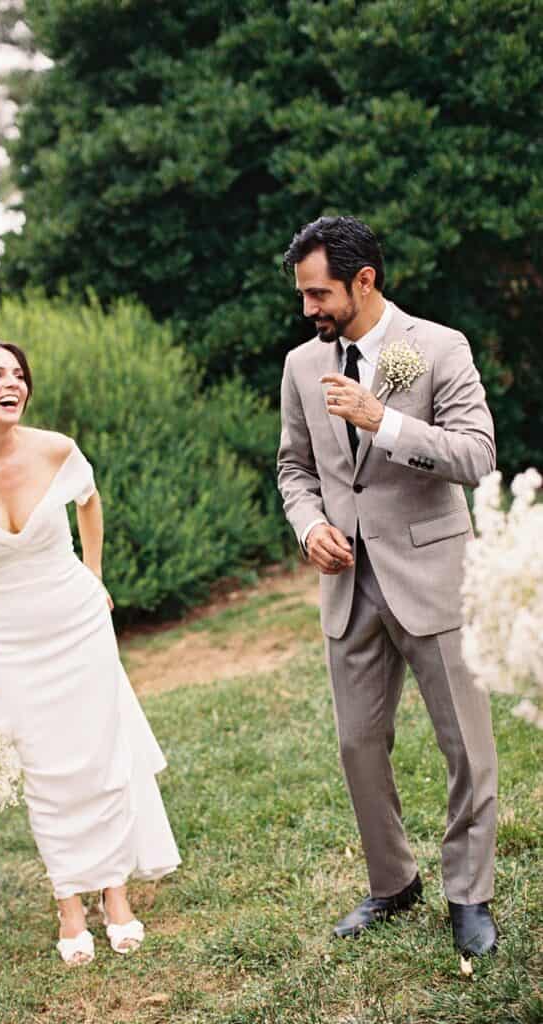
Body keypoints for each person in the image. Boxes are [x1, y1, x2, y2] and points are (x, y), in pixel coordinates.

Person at [0, 336, 180, 965]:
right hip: (8, 634)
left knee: (98, 753)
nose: (13, 384)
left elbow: (89, 501)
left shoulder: (57, 449)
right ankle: (69, 901)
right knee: (45, 768)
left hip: (76, 618)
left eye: (18, 373)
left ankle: (115, 895)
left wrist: (95, 573)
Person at [277, 216, 498, 958]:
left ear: (363, 280)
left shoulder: (437, 347)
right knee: (356, 745)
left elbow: (475, 456)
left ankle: (467, 893)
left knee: (464, 746)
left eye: (319, 293)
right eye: (304, 295)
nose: (309, 308)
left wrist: (385, 422)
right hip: (347, 586)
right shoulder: (300, 366)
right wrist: (308, 526)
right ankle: (391, 882)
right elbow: (294, 469)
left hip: (430, 572)